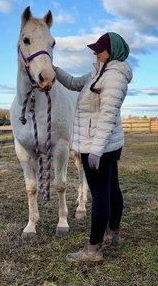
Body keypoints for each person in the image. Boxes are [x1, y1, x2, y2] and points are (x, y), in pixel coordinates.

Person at [53, 32, 133, 264]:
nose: (95, 52)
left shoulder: (114, 78)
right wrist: (55, 70)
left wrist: (96, 150)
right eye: (95, 49)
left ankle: (93, 249)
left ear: (113, 52)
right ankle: (113, 233)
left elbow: (107, 116)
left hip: (99, 145)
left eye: (100, 49)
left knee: (100, 196)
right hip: (102, 144)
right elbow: (74, 83)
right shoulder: (99, 72)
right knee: (111, 189)